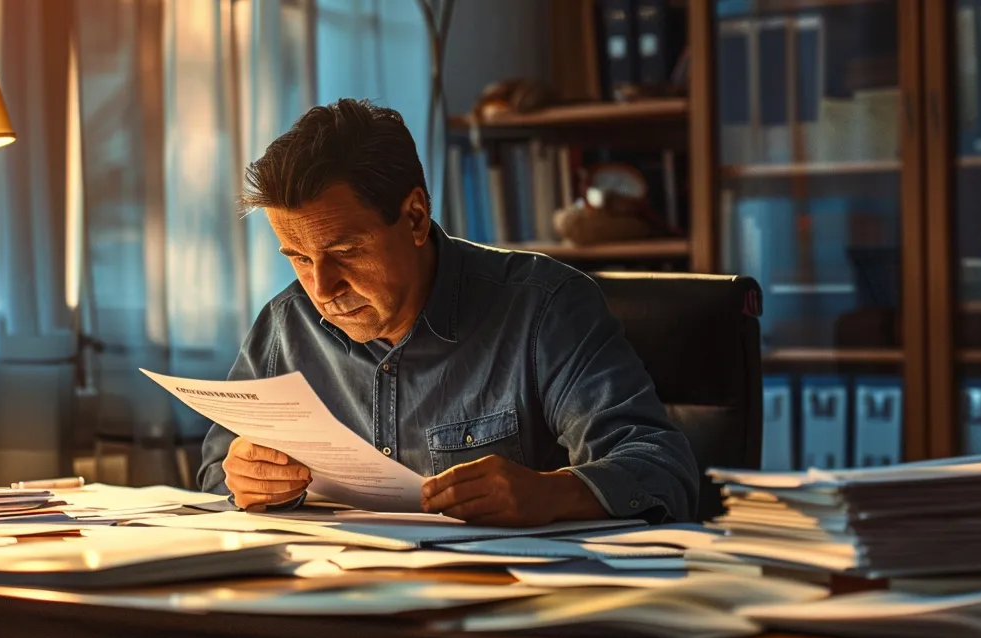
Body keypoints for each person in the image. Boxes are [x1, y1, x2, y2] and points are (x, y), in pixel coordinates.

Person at [195, 98, 700, 526]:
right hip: (336, 605)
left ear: (415, 216)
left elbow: (662, 468)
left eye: (346, 251)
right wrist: (245, 477)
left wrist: (552, 493)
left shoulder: (543, 308)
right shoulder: (287, 323)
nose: (321, 289)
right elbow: (217, 473)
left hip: (509, 610)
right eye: (301, 259)